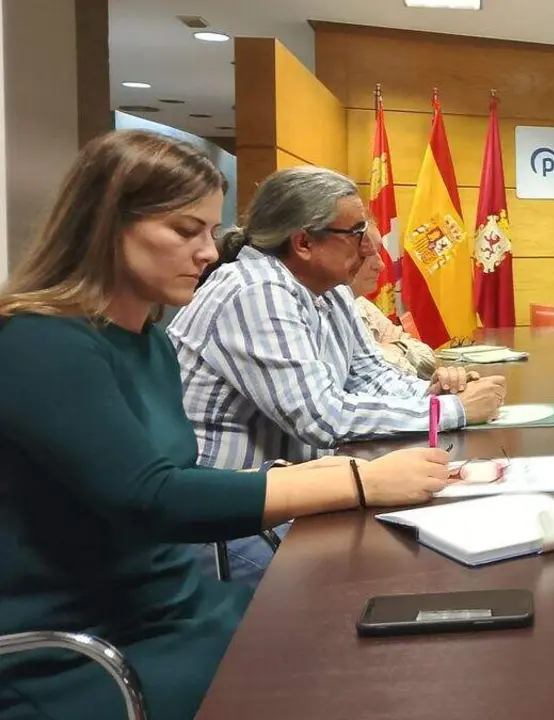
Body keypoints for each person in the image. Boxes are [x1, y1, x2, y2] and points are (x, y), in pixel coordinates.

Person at [0, 131, 458, 720]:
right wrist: (356, 481)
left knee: (374, 636)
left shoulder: (149, 344)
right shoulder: (39, 342)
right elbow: (152, 497)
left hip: (178, 605)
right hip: (87, 647)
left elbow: (180, 478)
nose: (208, 253)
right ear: (106, 225)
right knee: (347, 679)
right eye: (185, 231)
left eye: (210, 232)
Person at [166, 166, 505, 583]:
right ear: (304, 242)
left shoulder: (329, 290)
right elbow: (322, 418)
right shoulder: (256, 290)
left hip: (297, 500)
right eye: (356, 233)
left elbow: (371, 375)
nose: (369, 248)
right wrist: (454, 411)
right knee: (397, 575)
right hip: (230, 525)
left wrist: (438, 395)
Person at [349, 222, 438, 379]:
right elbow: (368, 372)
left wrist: (396, 348)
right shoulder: (320, 311)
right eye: (366, 254)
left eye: (378, 252)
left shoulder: (362, 305)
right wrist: (385, 353)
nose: (381, 265)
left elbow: (428, 358)